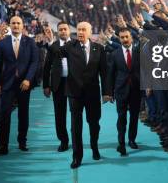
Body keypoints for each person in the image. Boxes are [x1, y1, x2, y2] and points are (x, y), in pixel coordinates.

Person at [55, 21, 111, 169]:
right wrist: (50, 40)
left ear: (90, 32)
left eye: (83, 30)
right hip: (74, 93)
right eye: (78, 29)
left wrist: (106, 93)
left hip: (92, 94)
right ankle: (77, 157)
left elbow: (104, 73)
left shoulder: (99, 48)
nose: (80, 32)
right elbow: (56, 51)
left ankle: (94, 147)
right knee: (75, 126)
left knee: (94, 124)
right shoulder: (69, 47)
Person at [0, 16, 39, 155]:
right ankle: (2, 146)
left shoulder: (30, 42)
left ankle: (22, 142)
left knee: (23, 114)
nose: (16, 25)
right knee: (4, 114)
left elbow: (34, 62)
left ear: (23, 25)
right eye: (13, 23)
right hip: (7, 84)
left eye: (18, 23)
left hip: (24, 84)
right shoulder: (3, 42)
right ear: (10, 25)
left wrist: (28, 79)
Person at [108, 27, 141, 156]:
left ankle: (132, 139)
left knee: (134, 117)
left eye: (127, 37)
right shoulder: (114, 54)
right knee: (121, 118)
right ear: (119, 39)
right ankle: (121, 143)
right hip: (121, 90)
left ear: (131, 37)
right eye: (122, 37)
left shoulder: (139, 52)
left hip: (136, 89)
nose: (125, 39)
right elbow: (110, 75)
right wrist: (109, 92)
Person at [42, 21, 71, 152]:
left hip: (73, 84)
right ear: (58, 32)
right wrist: (46, 85)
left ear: (69, 30)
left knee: (76, 114)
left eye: (65, 29)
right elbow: (46, 66)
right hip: (58, 84)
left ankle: (76, 139)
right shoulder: (52, 46)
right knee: (59, 114)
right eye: (61, 30)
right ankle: (63, 140)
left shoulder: (76, 44)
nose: (63, 31)